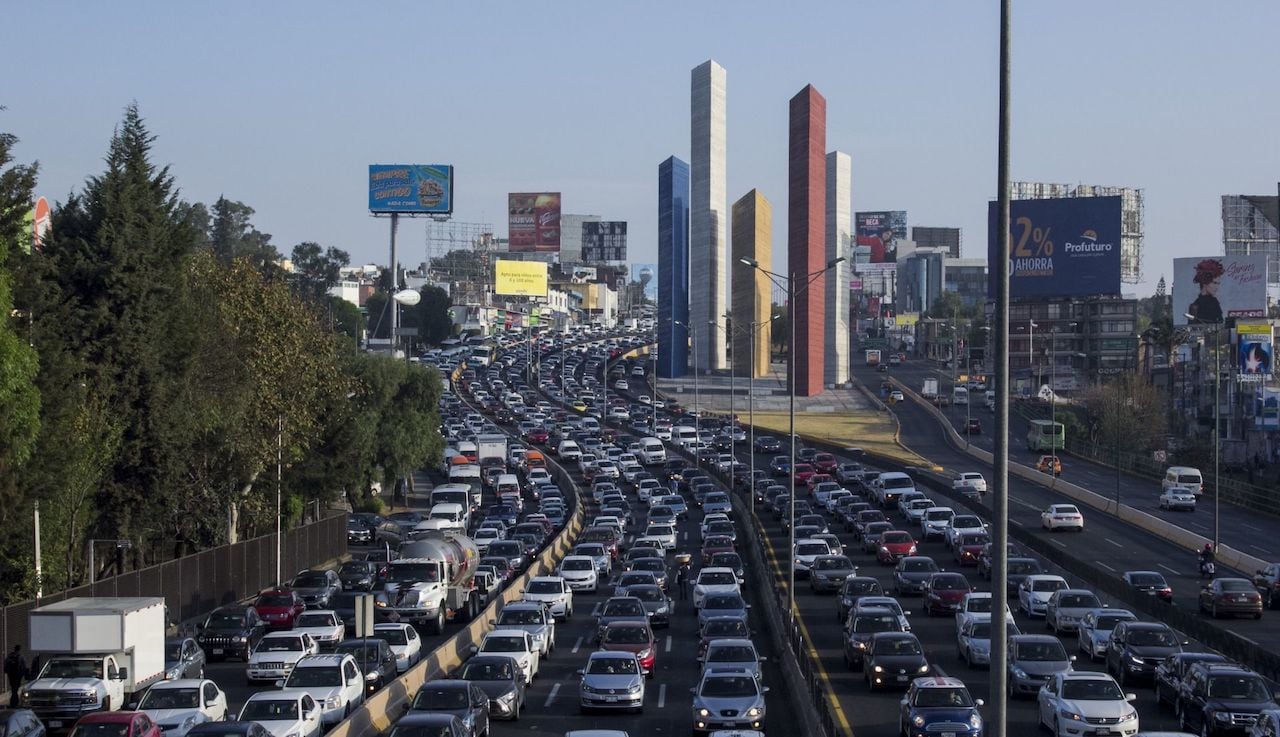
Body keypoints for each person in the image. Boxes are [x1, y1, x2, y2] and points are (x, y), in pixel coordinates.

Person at [1186, 259, 1224, 324]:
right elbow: (1191, 327)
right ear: (1205, 281)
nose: (1216, 287)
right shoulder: (1195, 306)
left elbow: (1221, 323)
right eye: (1214, 283)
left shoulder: (1215, 302)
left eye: (1218, 284)